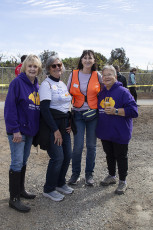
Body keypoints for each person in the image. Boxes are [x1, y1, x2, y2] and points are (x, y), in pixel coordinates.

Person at [4, 54, 42, 212]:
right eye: (30, 66)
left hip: (29, 132)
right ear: (25, 67)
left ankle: (21, 190)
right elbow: (10, 108)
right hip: (18, 131)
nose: (32, 69)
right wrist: (15, 130)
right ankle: (14, 199)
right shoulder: (17, 83)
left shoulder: (37, 86)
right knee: (17, 162)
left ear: (38, 69)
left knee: (24, 161)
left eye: (35, 66)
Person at [96, 65, 138, 195]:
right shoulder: (101, 93)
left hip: (120, 132)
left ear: (115, 76)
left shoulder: (123, 92)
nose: (107, 77)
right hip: (106, 132)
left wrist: (116, 111)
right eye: (104, 75)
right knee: (109, 155)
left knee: (121, 156)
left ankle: (123, 181)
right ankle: (111, 176)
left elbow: (134, 111)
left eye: (110, 74)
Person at [38, 54, 74, 202]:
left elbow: (66, 104)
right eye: (54, 65)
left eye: (59, 65)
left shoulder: (62, 84)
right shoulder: (46, 85)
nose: (57, 67)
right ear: (48, 68)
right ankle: (49, 188)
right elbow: (45, 110)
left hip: (64, 123)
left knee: (67, 155)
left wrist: (70, 122)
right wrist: (55, 130)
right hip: (52, 125)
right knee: (57, 157)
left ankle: (60, 183)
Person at [67, 50, 102, 186]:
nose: (87, 60)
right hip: (78, 115)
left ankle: (89, 174)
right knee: (78, 146)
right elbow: (67, 94)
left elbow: (105, 91)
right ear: (81, 60)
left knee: (91, 146)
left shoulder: (97, 75)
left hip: (93, 115)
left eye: (90, 58)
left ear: (93, 61)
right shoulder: (73, 74)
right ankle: (75, 174)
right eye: (85, 58)